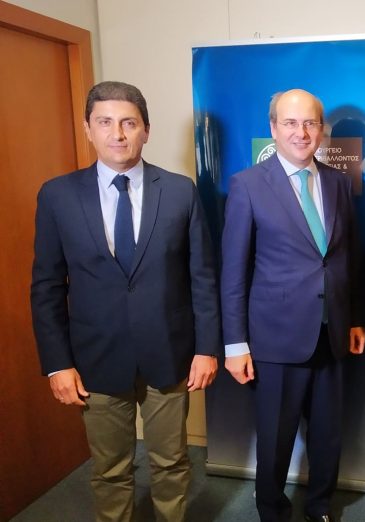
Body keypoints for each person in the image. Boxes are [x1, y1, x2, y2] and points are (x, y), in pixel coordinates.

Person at [30, 81, 221, 522]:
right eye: (105, 122)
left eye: (129, 123)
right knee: (110, 470)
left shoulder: (180, 191)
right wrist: (57, 363)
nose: (117, 133)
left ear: (146, 130)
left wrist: (206, 348)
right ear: (88, 129)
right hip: (95, 359)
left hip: (169, 354)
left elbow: (203, 277)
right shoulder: (57, 195)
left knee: (171, 464)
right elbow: (46, 286)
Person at [220, 89, 365, 522]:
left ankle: (319, 507)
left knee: (328, 435)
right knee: (276, 439)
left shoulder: (339, 182)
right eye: (290, 123)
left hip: (332, 332)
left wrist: (355, 318)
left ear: (321, 129)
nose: (301, 132)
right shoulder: (247, 185)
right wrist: (235, 344)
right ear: (273, 128)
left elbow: (348, 258)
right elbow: (234, 271)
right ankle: (272, 512)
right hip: (275, 338)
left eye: (309, 123)